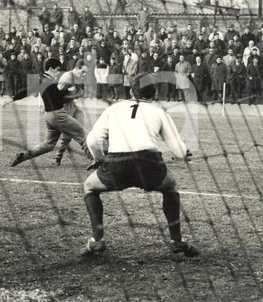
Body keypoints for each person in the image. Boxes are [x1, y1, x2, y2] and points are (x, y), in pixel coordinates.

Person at [79, 73, 199, 258]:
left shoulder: (114, 108)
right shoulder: (159, 112)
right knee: (170, 187)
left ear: (132, 91)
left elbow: (92, 140)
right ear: (155, 91)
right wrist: (182, 155)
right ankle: (176, 241)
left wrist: (99, 159)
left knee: (89, 186)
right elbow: (179, 151)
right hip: (148, 164)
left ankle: (97, 240)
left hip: (117, 163)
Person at [4, 57, 91, 167]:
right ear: (51, 68)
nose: (59, 72)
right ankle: (97, 161)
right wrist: (70, 91)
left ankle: (23, 156)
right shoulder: (50, 82)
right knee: (82, 135)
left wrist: (12, 99)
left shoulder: (41, 80)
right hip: (58, 115)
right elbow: (58, 98)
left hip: (48, 116)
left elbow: (27, 91)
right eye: (57, 69)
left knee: (49, 145)